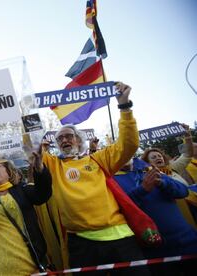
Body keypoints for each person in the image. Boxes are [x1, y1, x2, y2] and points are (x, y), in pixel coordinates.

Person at [40, 82, 150, 275]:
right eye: (60, 139)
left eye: (69, 136)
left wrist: (124, 106)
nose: (64, 140)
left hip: (119, 236)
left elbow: (129, 144)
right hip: (81, 243)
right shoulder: (53, 165)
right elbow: (29, 148)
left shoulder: (98, 159)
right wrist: (25, 109)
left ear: (78, 140)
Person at [115, 158, 197, 275]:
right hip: (155, 251)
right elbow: (119, 209)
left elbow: (183, 191)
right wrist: (142, 190)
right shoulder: (111, 179)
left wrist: (163, 183)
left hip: (188, 241)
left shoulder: (148, 169)